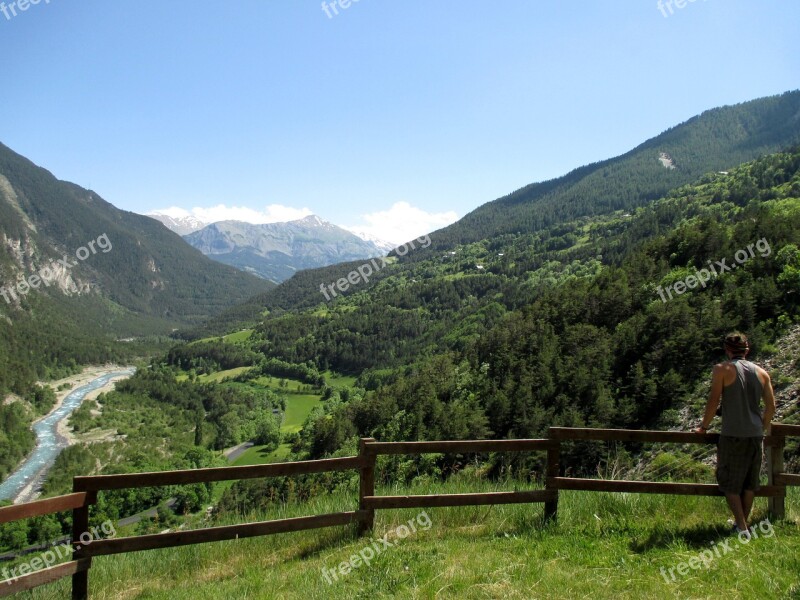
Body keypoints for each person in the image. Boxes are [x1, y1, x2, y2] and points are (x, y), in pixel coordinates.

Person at [696, 332, 775, 535]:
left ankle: (741, 528)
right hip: (755, 435)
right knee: (750, 483)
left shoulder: (722, 370)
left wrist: (704, 427)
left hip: (732, 434)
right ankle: (742, 525)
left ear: (727, 350)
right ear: (747, 350)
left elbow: (713, 401)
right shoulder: (762, 373)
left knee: (729, 482)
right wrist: (761, 426)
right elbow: (771, 407)